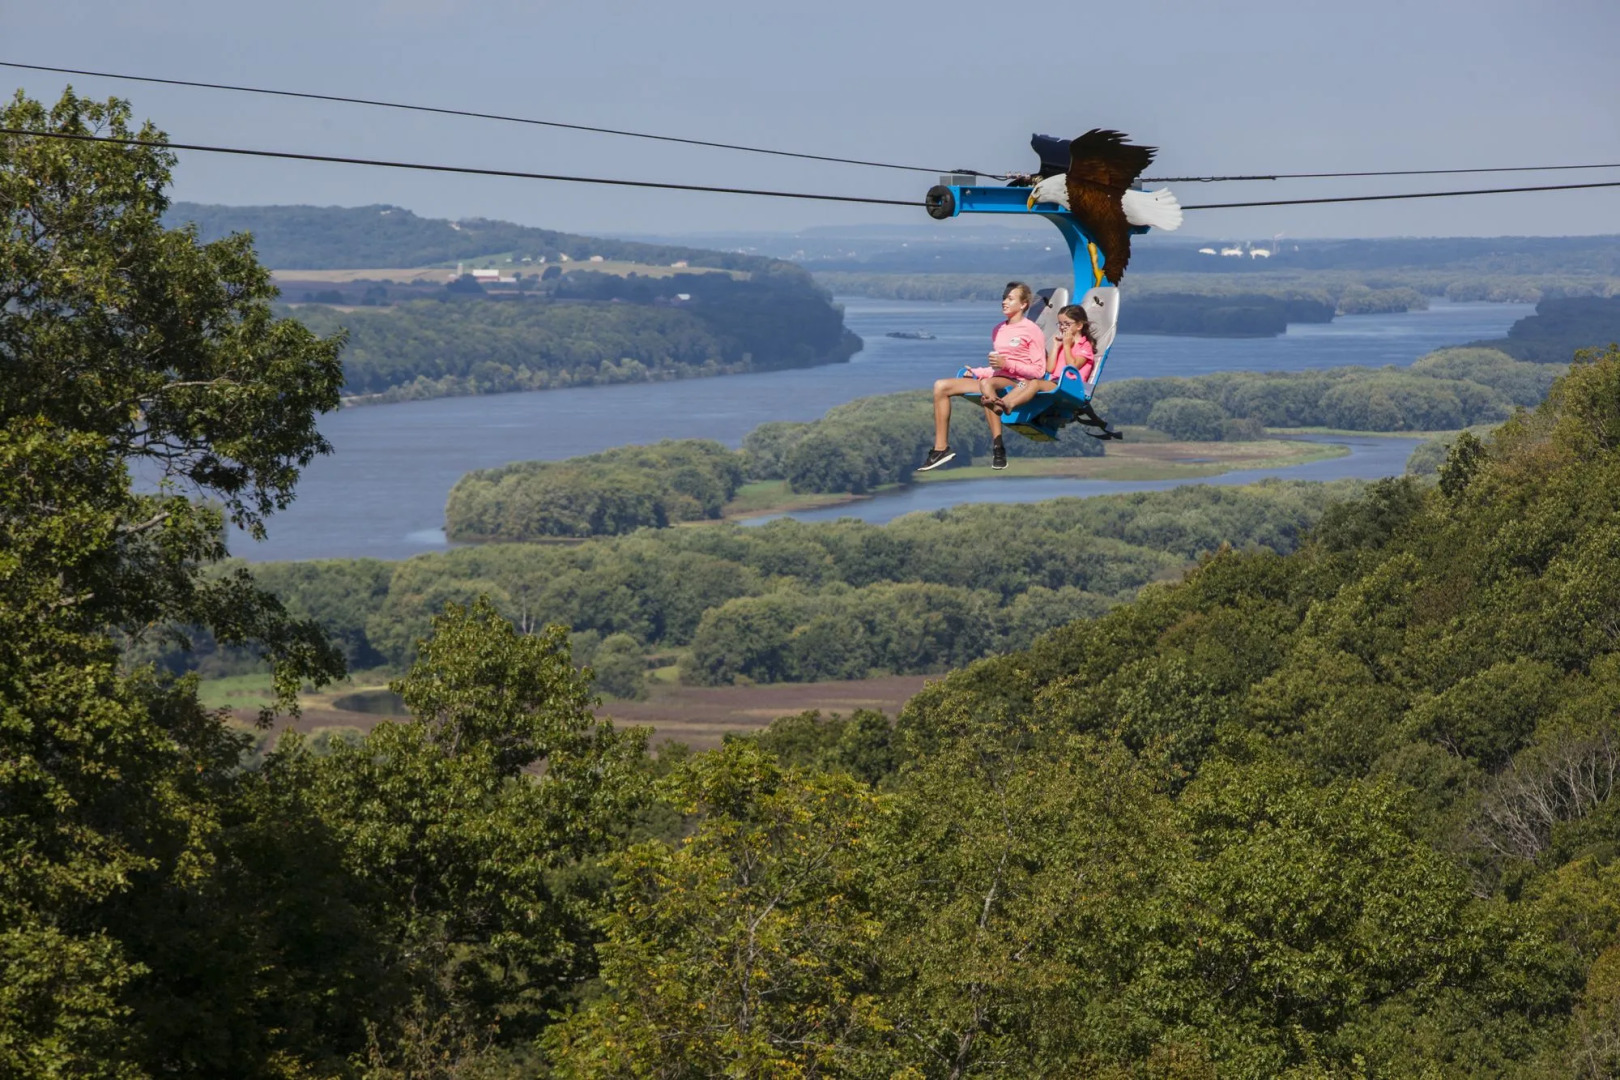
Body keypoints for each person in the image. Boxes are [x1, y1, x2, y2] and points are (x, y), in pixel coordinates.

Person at [918, 282, 1048, 472]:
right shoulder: (998, 329)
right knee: (941, 386)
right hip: (997, 378)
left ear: (1023, 304)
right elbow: (997, 368)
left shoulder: (1032, 330)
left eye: (1010, 298)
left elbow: (1038, 371)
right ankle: (940, 449)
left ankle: (998, 448)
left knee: (987, 384)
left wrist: (1006, 365)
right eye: (1003, 298)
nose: (1004, 302)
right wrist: (977, 372)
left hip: (1020, 383)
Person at [984, 303, 1096, 417]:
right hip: (1056, 383)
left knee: (1035, 383)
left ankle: (1010, 404)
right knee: (1023, 383)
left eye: (1067, 324)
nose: (1062, 327)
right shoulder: (1062, 345)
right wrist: (1056, 346)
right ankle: (1002, 403)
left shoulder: (1085, 346)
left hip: (1072, 387)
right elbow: (1050, 369)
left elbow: (1073, 366)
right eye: (1060, 324)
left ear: (1079, 325)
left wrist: (1067, 346)